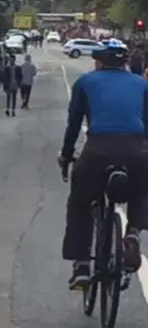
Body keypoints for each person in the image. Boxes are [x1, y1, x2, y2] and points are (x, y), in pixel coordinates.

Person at [58, 39, 148, 290]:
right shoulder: (141, 84)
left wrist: (65, 155)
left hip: (99, 150)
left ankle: (83, 266)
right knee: (141, 192)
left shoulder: (86, 82)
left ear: (99, 61)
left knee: (79, 202)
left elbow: (74, 123)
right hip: (136, 149)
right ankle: (132, 234)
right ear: (125, 63)